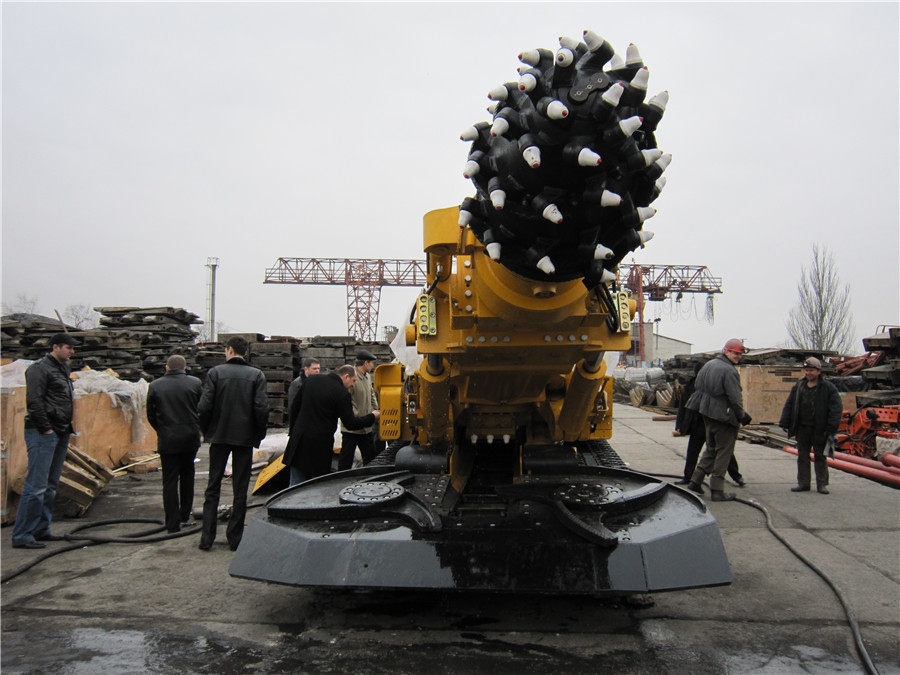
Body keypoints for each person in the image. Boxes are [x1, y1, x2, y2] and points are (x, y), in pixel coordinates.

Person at [197, 336, 268, 551]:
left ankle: (207, 538)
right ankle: (235, 539)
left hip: (219, 436)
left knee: (213, 487)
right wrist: (258, 435)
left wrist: (208, 430)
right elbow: (261, 408)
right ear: (245, 352)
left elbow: (204, 406)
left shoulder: (215, 373)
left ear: (229, 350)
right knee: (240, 488)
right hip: (244, 438)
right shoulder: (256, 375)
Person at [12, 333, 79, 549]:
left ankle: (41, 529)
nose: (72, 352)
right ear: (55, 347)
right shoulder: (39, 369)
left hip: (61, 430)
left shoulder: (62, 368)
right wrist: (46, 429)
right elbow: (34, 401)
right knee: (36, 486)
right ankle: (23, 535)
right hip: (43, 433)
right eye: (68, 348)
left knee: (50, 485)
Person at [282, 364, 380, 486]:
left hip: (299, 442)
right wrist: (372, 416)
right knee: (316, 487)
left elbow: (295, 407)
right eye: (353, 381)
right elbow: (350, 424)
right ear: (346, 376)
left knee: (295, 485)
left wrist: (294, 432)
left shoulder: (312, 380)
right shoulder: (342, 393)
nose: (353, 385)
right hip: (320, 448)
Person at [685, 338, 753, 502]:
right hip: (724, 416)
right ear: (726, 351)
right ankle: (717, 489)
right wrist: (741, 415)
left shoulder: (709, 365)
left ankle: (695, 481)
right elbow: (735, 397)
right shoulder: (729, 371)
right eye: (735, 353)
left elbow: (698, 387)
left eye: (740, 354)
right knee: (724, 452)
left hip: (707, 414)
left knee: (711, 448)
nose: (738, 356)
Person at [147, 354, 203, 533]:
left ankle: (172, 523)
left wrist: (162, 429)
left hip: (168, 438)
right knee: (188, 475)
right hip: (189, 437)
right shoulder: (194, 383)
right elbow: (202, 408)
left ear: (167, 367)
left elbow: (150, 414)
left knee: (169, 480)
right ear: (185, 368)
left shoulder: (155, 386)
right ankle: (185, 514)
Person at [674, 363, 745, 487]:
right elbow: (683, 408)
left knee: (723, 451)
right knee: (694, 451)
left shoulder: (714, 386)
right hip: (698, 424)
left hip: (712, 422)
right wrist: (679, 425)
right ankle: (688, 477)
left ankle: (736, 476)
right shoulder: (690, 386)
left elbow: (728, 401)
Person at [779, 357, 843, 495]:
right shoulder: (799, 386)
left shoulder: (828, 388)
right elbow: (789, 404)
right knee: (802, 455)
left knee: (820, 456)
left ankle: (822, 484)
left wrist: (831, 428)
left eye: (811, 370)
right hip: (802, 428)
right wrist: (785, 422)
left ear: (819, 372)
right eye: (807, 370)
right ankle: (803, 483)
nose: (808, 373)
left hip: (820, 429)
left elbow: (836, 409)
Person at [337, 349, 379, 471]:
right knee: (346, 459)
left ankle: (370, 478)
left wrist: (375, 412)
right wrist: (354, 416)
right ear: (366, 363)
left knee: (370, 458)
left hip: (366, 427)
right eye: (371, 363)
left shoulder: (367, 377)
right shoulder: (352, 377)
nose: (372, 366)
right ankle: (342, 479)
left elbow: (371, 395)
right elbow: (345, 400)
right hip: (351, 429)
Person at [286, 357, 320, 430]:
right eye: (314, 369)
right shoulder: (297, 384)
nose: (317, 371)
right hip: (302, 423)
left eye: (318, 368)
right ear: (306, 369)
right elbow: (293, 407)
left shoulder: (319, 382)